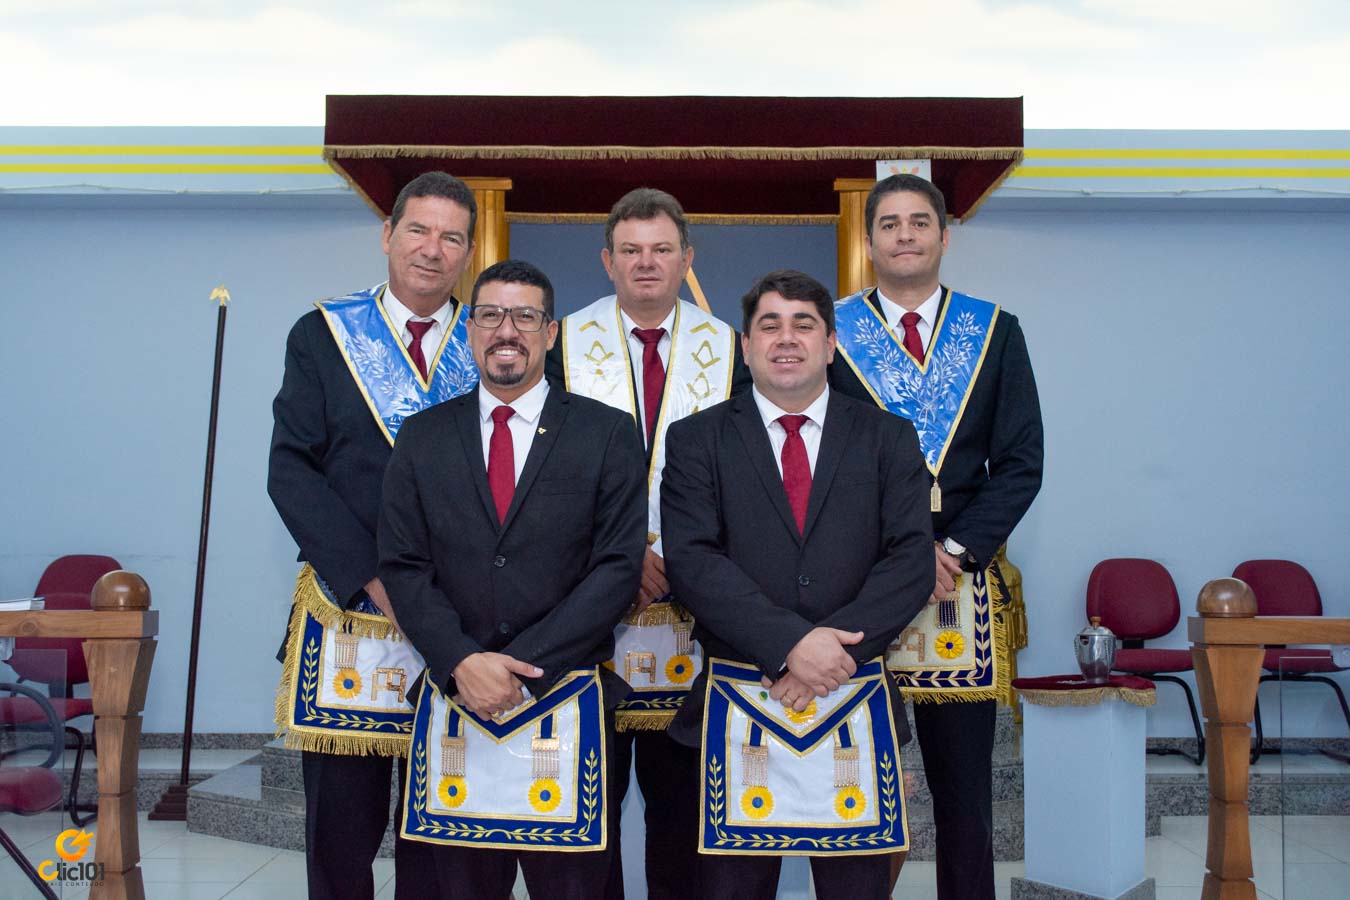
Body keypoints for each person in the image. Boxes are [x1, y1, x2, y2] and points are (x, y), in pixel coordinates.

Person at [378, 259, 648, 900]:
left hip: (565, 698)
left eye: (526, 316)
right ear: (470, 331)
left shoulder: (606, 433)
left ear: (551, 333)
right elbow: (404, 565)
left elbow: (616, 568)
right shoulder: (422, 437)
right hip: (454, 699)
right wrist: (462, 661)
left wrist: (513, 665)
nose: (509, 330)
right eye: (492, 315)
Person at [660, 270, 934, 900]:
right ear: (747, 346)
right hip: (741, 695)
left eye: (804, 324)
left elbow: (910, 559)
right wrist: (791, 644)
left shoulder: (887, 437)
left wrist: (828, 657)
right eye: (769, 325)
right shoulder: (698, 439)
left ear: (831, 344)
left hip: (854, 691)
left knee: (857, 889)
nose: (787, 338)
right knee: (731, 888)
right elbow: (694, 560)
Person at [829, 173, 1044, 900]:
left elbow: (1020, 464)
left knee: (964, 800)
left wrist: (951, 550)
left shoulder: (996, 329)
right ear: (869, 241)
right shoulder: (830, 334)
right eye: (889, 224)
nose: (905, 236)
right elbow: (820, 464)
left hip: (962, 584)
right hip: (859, 579)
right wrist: (899, 553)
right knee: (858, 787)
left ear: (945, 236)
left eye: (920, 222)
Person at [268, 171, 480, 900]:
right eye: (417, 230)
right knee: (340, 830)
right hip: (350, 607)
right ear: (386, 234)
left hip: (459, 616)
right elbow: (292, 471)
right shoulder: (323, 333)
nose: (432, 250)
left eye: (451, 237)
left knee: (441, 830)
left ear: (469, 252)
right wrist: (374, 577)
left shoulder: (491, 342)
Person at [545, 187, 750, 899]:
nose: (646, 263)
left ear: (687, 257)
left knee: (682, 814)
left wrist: (683, 555)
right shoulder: (561, 342)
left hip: (697, 616)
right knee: (587, 810)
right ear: (607, 260)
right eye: (630, 250)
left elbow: (747, 475)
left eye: (662, 250)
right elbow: (544, 473)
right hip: (588, 608)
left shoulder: (729, 348)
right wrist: (620, 553)